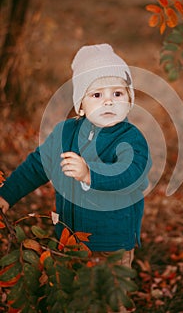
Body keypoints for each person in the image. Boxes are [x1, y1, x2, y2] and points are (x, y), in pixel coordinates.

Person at [0, 44, 152, 312]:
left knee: (111, 301)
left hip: (113, 244)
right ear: (80, 105)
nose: (108, 101)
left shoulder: (131, 138)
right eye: (96, 94)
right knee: (75, 297)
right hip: (69, 240)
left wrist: (90, 174)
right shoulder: (64, 133)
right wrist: (6, 195)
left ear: (129, 100)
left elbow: (130, 173)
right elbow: (38, 166)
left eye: (118, 93)